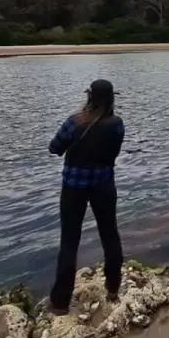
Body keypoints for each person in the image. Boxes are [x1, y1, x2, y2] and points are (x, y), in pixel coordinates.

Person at [48, 79, 126, 313]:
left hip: (73, 187)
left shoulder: (74, 121)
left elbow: (54, 148)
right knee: (110, 235)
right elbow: (114, 151)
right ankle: (112, 290)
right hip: (103, 186)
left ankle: (61, 303)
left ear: (89, 97)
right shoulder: (117, 124)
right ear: (112, 98)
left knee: (69, 242)